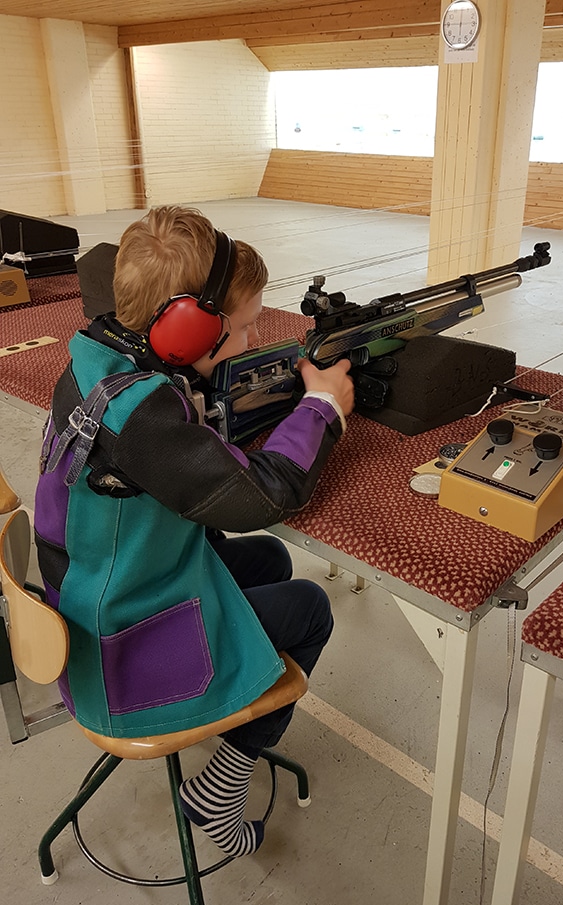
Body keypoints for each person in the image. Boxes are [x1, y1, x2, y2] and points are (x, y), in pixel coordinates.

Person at [34, 204, 354, 858]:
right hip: (121, 650)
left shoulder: (97, 358)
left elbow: (178, 445)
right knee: (311, 608)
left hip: (95, 594)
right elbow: (264, 493)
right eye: (242, 328)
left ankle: (230, 697)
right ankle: (221, 785)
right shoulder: (144, 413)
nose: (251, 337)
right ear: (182, 330)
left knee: (264, 560)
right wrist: (321, 407)